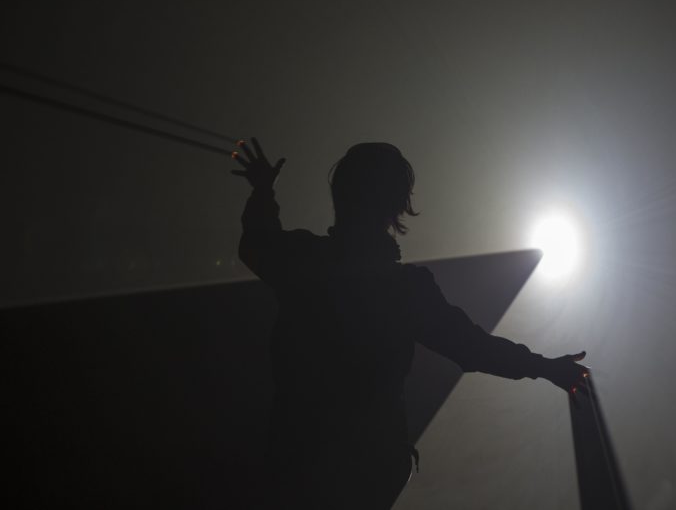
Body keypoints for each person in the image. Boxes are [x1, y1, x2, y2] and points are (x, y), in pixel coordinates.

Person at [231, 138, 589, 509]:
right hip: (361, 474)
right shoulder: (404, 290)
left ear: (341, 196)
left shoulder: (305, 259)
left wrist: (262, 191)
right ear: (396, 206)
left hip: (295, 464)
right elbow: (473, 348)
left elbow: (256, 244)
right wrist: (544, 367)